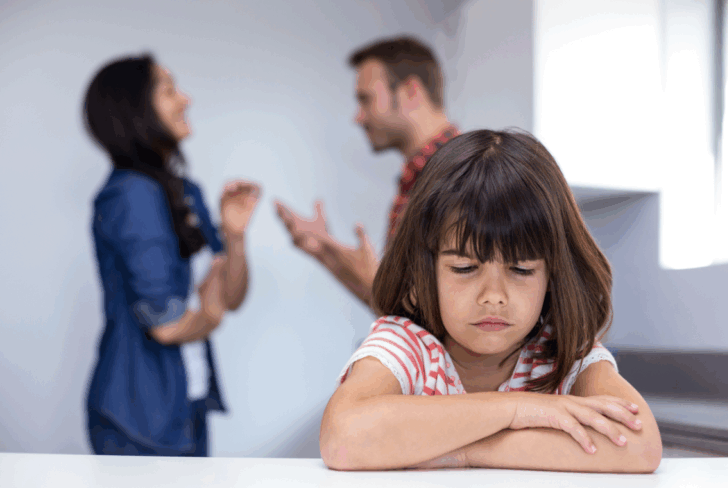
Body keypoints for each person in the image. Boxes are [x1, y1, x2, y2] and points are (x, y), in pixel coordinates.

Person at [319, 130, 663, 473]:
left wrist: (469, 450)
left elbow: (640, 444)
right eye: (465, 268)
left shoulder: (564, 354)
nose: (494, 297)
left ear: (553, 275)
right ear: (426, 269)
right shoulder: (407, 346)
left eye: (521, 269)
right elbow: (343, 438)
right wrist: (514, 410)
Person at [83, 54, 260, 456]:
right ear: (135, 111)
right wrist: (210, 315)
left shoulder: (185, 191)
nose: (186, 99)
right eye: (168, 89)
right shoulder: (131, 194)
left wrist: (234, 236)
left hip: (186, 403)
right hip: (139, 417)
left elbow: (231, 296)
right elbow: (168, 325)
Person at [275, 36, 459, 309]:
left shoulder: (460, 177)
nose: (357, 117)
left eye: (366, 100)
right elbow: (399, 314)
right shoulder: (419, 178)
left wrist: (372, 278)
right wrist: (328, 256)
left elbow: (446, 318)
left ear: (410, 92)